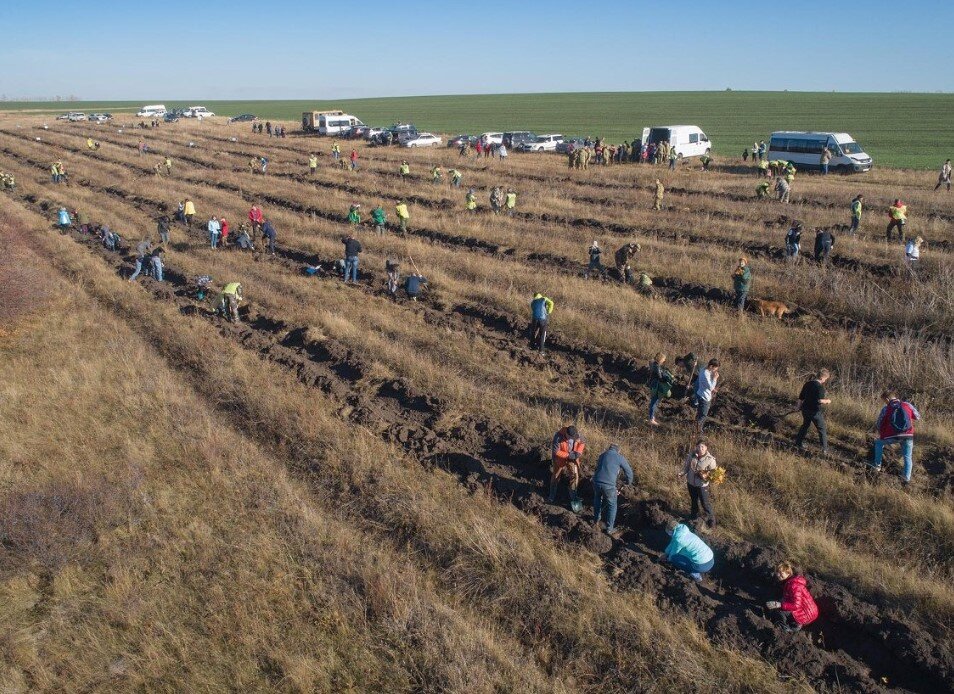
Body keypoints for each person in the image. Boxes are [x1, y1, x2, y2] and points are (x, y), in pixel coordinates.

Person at [869, 391, 921, 484]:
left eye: (884, 400)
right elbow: (917, 416)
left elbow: (879, 423)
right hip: (908, 435)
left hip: (892, 435)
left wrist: (881, 433)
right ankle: (906, 479)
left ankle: (877, 466)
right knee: (907, 457)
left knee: (878, 443)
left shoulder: (886, 408)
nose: (885, 402)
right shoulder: (907, 405)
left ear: (887, 399)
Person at [592, 444, 633, 537]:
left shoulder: (602, 455)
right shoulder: (619, 457)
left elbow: (597, 468)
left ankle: (596, 520)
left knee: (597, 499)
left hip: (596, 482)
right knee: (612, 505)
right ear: (618, 451)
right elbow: (629, 472)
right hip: (609, 486)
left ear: (609, 449)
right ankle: (609, 529)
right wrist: (628, 482)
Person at [765, 562, 819, 632]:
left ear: (788, 573)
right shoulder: (790, 582)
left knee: (779, 611)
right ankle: (794, 623)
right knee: (781, 603)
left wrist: (780, 605)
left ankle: (789, 628)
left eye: (781, 573)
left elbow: (796, 605)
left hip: (807, 615)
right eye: (777, 572)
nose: (778, 575)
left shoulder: (793, 585)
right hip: (809, 612)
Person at [679, 439, 717, 528]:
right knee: (694, 501)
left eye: (702, 447)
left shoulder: (710, 459)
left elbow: (714, 475)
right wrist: (682, 473)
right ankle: (693, 517)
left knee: (705, 503)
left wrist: (705, 476)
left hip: (702, 485)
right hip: (691, 483)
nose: (700, 448)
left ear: (706, 448)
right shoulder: (692, 455)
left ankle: (711, 520)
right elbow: (687, 467)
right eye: (699, 446)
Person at [795, 369, 831, 456]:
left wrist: (798, 407)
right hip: (815, 412)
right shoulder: (820, 387)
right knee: (822, 429)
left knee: (805, 425)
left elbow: (801, 397)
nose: (825, 381)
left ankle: (798, 443)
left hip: (805, 409)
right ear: (822, 377)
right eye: (825, 379)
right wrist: (827, 401)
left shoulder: (808, 384)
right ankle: (824, 449)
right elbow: (819, 400)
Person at [549, 425, 586, 506]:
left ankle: (573, 495)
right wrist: (568, 455)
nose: (573, 438)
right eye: (571, 437)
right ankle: (552, 494)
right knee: (556, 475)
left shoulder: (577, 435)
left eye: (574, 437)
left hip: (573, 458)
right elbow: (556, 451)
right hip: (560, 458)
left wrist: (578, 452)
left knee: (575, 475)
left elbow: (583, 442)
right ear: (567, 434)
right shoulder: (558, 437)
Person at [648, 353, 675, 426]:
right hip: (656, 386)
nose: (664, 360)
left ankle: (651, 417)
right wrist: (668, 379)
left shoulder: (655, 365)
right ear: (660, 359)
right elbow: (660, 378)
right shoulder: (657, 366)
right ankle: (651, 419)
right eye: (663, 359)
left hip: (653, 384)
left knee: (654, 400)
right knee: (655, 401)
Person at [695, 359, 720, 432]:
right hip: (704, 397)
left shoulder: (704, 369)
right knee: (703, 415)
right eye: (715, 368)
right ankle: (698, 431)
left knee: (700, 413)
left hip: (701, 394)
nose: (716, 370)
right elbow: (711, 387)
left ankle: (697, 428)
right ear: (711, 366)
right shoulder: (705, 374)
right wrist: (715, 379)